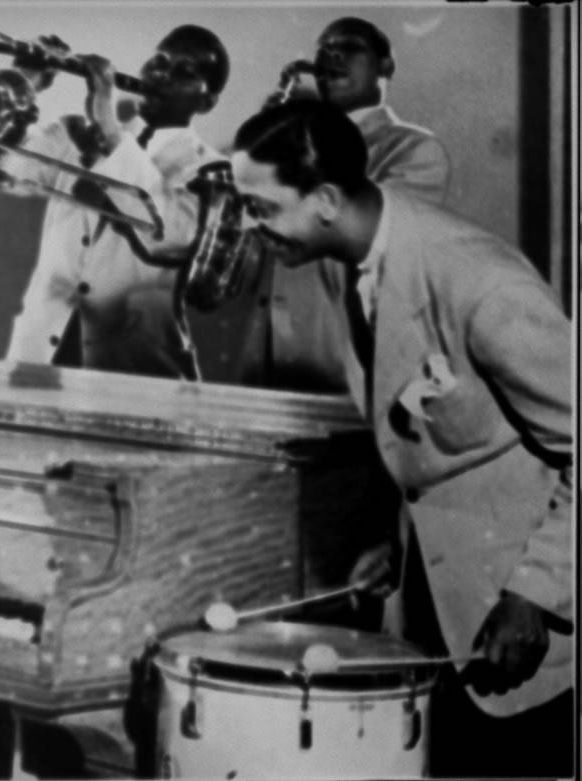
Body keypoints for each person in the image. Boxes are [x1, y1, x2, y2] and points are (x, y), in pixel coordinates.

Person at [229, 99, 574, 778]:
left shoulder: (480, 283)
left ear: (325, 200)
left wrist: (533, 592)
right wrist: (397, 547)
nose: (247, 225)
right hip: (437, 616)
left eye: (259, 207)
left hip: (523, 628)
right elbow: (436, 443)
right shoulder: (348, 262)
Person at [1, 25, 229, 378]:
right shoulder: (75, 131)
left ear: (207, 101)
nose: (161, 73)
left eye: (184, 71)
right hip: (37, 357)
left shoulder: (211, 169)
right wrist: (22, 86)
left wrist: (110, 128)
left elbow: (165, 235)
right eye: (159, 60)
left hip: (138, 370)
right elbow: (5, 170)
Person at [241, 16, 451, 391]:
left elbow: (363, 237)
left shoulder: (415, 150)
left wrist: (294, 145)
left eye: (350, 47)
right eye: (324, 50)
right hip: (262, 366)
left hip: (347, 371)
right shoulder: (301, 139)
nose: (332, 56)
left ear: (386, 66)